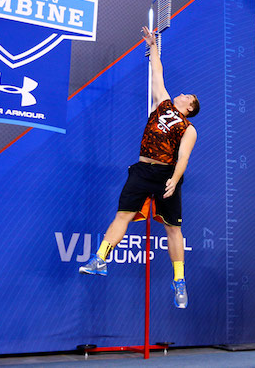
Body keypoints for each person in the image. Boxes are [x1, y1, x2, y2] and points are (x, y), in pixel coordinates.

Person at [79, 26, 199, 309]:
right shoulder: (163, 104)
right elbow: (157, 72)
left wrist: (175, 179)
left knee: (173, 229)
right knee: (122, 215)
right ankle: (100, 259)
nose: (181, 94)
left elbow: (183, 159)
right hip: (142, 171)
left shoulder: (189, 128)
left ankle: (179, 281)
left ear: (190, 107)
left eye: (187, 96)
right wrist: (152, 46)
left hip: (166, 176)